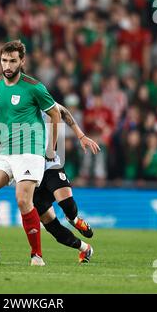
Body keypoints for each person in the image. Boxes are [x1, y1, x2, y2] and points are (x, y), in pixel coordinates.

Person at [0, 40, 61, 266]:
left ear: (22, 61)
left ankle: (36, 255)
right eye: (4, 60)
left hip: (30, 151)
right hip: (5, 151)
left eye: (12, 61)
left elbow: (55, 114)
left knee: (22, 199)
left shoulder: (34, 87)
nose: (7, 65)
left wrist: (51, 148)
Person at [34, 102, 100, 263]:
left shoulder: (36, 96)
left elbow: (62, 112)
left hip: (50, 165)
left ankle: (75, 220)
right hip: (29, 174)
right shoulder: (9, 107)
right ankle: (84, 248)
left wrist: (81, 135)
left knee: (67, 204)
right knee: (51, 226)